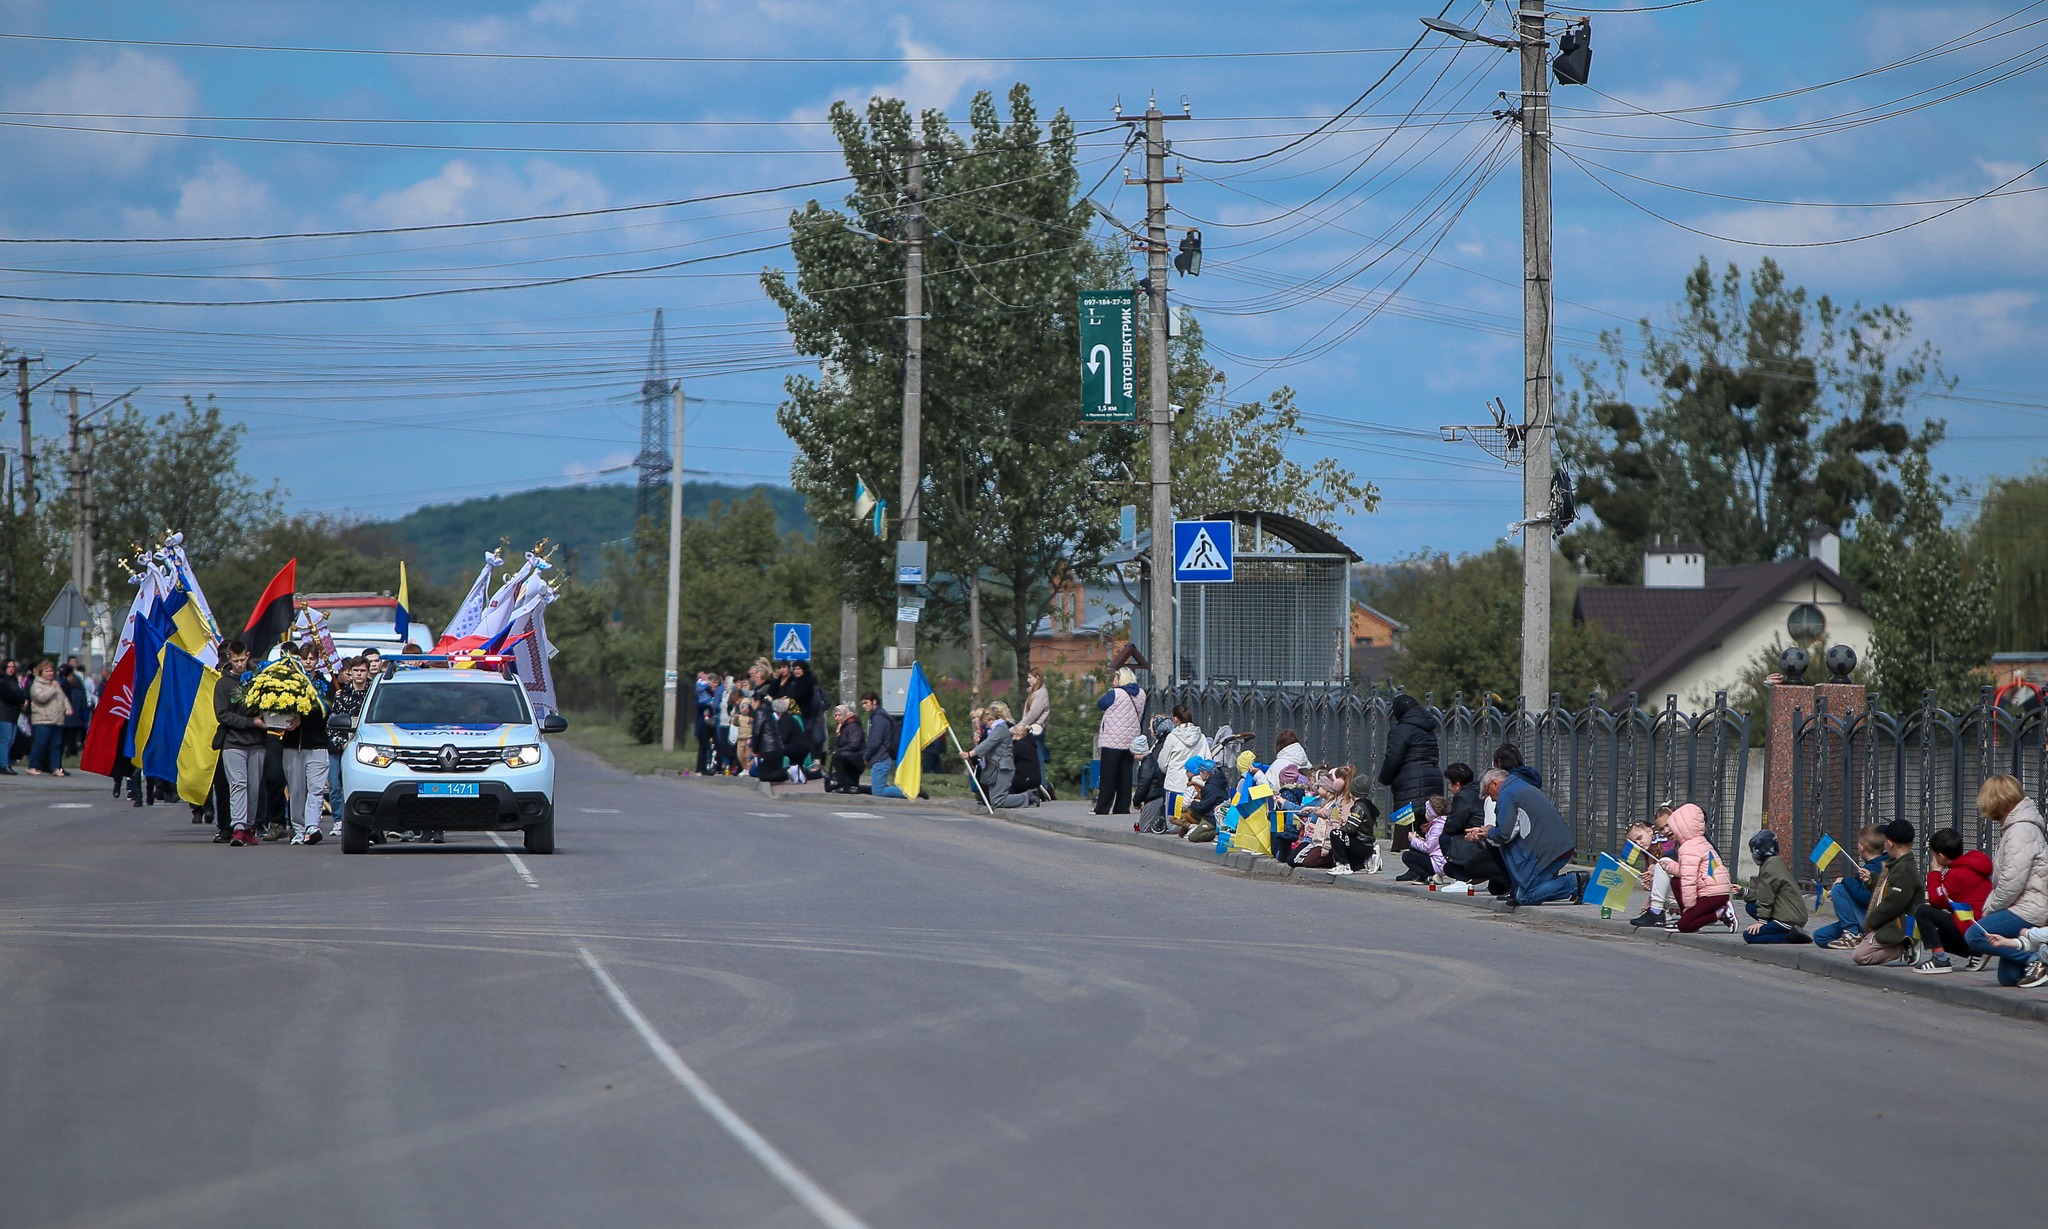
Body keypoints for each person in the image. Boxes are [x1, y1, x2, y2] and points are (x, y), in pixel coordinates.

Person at [1962, 775, 2048, 988]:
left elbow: (2011, 883)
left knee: (1976, 934)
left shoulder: (2020, 832)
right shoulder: (2018, 829)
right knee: (2009, 977)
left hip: (2029, 908)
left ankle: (2039, 959)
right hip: (2025, 904)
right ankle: (2038, 960)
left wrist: (1990, 909)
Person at [1478, 766, 1586, 907]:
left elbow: (1505, 833)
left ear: (1494, 783)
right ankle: (1569, 885)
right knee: (1526, 892)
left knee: (1526, 896)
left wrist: (1489, 832)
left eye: (1489, 793)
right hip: (1558, 847)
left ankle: (1576, 882)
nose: (1492, 799)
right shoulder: (1520, 786)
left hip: (1548, 853)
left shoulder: (1507, 794)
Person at [1911, 828, 1995, 974]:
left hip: (1972, 925)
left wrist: (1935, 873)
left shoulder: (1958, 874)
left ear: (1941, 856)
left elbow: (1936, 900)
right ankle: (1976, 951)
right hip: (1981, 924)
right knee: (1935, 935)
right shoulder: (1973, 864)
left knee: (1923, 912)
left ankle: (1940, 959)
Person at [213, 642, 267, 846]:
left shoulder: (257, 680)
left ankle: (249, 826)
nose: (239, 664)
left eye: (242, 660)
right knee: (238, 784)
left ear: (248, 656)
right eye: (235, 660)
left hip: (257, 742)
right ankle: (237, 827)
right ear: (229, 658)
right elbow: (222, 714)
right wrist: (250, 722)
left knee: (253, 788)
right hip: (233, 742)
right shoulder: (223, 684)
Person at [279, 642, 333, 845]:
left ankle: (312, 827)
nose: (308, 662)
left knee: (316, 788)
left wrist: (303, 719)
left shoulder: (324, 684)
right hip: (292, 744)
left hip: (317, 743)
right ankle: (298, 828)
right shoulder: (289, 682)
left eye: (312, 659)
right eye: (305, 659)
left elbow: (325, 712)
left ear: (317, 661)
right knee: (296, 790)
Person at [1850, 820, 1924, 966]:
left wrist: (1871, 921)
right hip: (1895, 923)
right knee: (1861, 953)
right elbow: (1888, 888)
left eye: (1885, 842)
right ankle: (1902, 945)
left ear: (1889, 844)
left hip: (1899, 927)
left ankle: (1905, 946)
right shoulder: (1899, 864)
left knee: (1861, 956)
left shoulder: (1903, 869)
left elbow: (1893, 904)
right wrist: (1871, 879)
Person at [1378, 695, 1443, 854]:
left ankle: (1405, 856)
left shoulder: (1401, 730)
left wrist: (1384, 778)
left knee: (1404, 824)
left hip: (1409, 782)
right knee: (1426, 822)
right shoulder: (1428, 727)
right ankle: (1426, 857)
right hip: (1432, 778)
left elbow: (1393, 757)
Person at [1659, 802, 1734, 932]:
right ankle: (1716, 912)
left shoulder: (1688, 848)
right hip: (1718, 890)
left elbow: (1689, 879)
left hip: (1711, 894)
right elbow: (1688, 870)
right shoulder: (1701, 841)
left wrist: (1689, 906)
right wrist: (1671, 867)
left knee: (1684, 925)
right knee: (1676, 881)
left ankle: (1722, 913)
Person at [1814, 827, 1888, 949]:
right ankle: (1858, 939)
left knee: (1838, 888)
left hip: (1871, 919)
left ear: (1861, 847)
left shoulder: (1876, 867)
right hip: (1861, 917)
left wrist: (1844, 881)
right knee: (1820, 936)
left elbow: (1866, 897)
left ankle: (1853, 934)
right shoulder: (1878, 863)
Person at [1438, 763, 1506, 893]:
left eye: (1449, 783)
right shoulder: (1478, 791)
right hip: (1485, 837)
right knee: (1447, 868)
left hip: (1476, 840)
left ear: (1457, 784)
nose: (1449, 787)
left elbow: (1453, 825)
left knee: (1445, 838)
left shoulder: (1463, 796)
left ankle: (1463, 879)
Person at [1736, 830, 1809, 944]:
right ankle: (1783, 930)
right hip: (1791, 914)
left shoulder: (1770, 868)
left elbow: (1766, 896)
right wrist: (1743, 892)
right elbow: (1763, 894)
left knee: (1749, 936)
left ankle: (1790, 936)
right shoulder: (1774, 863)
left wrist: (1762, 921)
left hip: (1788, 919)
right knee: (1750, 906)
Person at [325, 656, 369, 839]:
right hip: (340, 747)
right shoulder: (342, 695)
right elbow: (332, 723)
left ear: (367, 672)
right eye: (356, 671)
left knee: (362, 786)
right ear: (350, 672)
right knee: (335, 786)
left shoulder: (373, 694)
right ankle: (338, 820)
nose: (359, 674)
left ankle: (364, 822)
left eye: (362, 671)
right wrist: (342, 742)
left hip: (365, 749)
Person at [1092, 666, 1145, 816]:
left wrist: (1112, 690)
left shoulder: (1116, 693)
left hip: (1112, 740)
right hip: (1131, 739)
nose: (1114, 681)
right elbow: (1142, 714)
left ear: (1121, 679)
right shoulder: (1141, 694)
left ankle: (1102, 807)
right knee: (1125, 775)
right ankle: (1122, 807)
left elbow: (1101, 704)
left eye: (1116, 678)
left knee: (1108, 775)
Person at [1624, 806, 1682, 929]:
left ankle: (1658, 911)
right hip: (1683, 887)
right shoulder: (1649, 850)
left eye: (1639, 838)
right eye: (1634, 842)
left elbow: (1670, 866)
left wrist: (1648, 904)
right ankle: (1660, 910)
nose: (1638, 843)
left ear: (1650, 831)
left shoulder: (1666, 842)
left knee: (1662, 867)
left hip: (1691, 887)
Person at [24, 660, 72, 776]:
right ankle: (32, 766)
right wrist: (53, 689)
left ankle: (56, 767)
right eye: (46, 671)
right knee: (41, 743)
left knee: (56, 745)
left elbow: (63, 697)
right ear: (41, 672)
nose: (50, 673)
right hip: (42, 719)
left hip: (57, 719)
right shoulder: (36, 685)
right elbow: (41, 698)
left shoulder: (55, 684)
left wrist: (68, 708)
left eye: (51, 671)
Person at [859, 691, 905, 799]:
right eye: (862, 704)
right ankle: (908, 791)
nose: (864, 706)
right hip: (881, 757)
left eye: (866, 703)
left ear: (874, 702)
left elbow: (875, 741)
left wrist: (866, 757)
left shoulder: (879, 718)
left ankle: (910, 792)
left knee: (878, 791)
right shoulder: (880, 715)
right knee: (879, 788)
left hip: (881, 758)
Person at [1396, 795, 1450, 883]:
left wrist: (1413, 840)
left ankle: (1428, 877)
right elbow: (1435, 845)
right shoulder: (1439, 824)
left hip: (1438, 863)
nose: (1425, 814)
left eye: (1427, 811)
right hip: (1438, 860)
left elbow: (1428, 848)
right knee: (1415, 849)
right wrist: (1420, 839)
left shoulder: (1438, 827)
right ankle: (1423, 876)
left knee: (1407, 856)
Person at [1019, 666, 1052, 793]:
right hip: (1032, 728)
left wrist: (1020, 726)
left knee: (1037, 758)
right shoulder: (1035, 693)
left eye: (1030, 677)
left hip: (1035, 729)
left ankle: (1042, 785)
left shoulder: (1040, 694)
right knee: (1035, 757)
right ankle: (1040, 785)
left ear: (1037, 678)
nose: (1028, 680)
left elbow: (1033, 714)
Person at [825, 704, 866, 792]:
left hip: (858, 757)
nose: (837, 718)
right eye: (835, 715)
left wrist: (838, 752)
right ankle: (845, 785)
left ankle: (843, 784)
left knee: (837, 757)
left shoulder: (853, 725)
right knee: (837, 756)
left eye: (839, 715)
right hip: (850, 756)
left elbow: (854, 744)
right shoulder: (842, 726)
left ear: (845, 714)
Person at [58, 663, 89, 761]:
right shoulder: (77, 686)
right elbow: (84, 703)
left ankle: (69, 752)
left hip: (70, 716)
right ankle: (70, 752)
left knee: (68, 737)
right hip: (72, 717)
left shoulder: (61, 684)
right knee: (70, 737)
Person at [0, 658, 23, 775]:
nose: (11, 669)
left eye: (13, 667)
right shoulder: (2, 681)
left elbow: (21, 694)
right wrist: (20, 699)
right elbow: (8, 697)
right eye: (9, 667)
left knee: (11, 740)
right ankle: (3, 764)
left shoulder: (14, 681)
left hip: (13, 714)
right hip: (4, 714)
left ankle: (6, 762)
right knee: (5, 740)